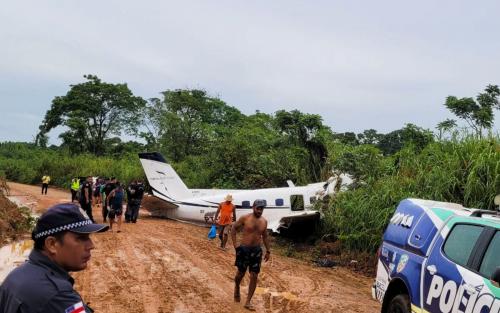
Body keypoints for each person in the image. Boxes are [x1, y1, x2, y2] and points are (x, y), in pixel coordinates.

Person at [0, 203, 108, 313]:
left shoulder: (17, 274)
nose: (91, 246)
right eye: (81, 238)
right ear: (52, 244)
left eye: (88, 237)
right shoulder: (57, 295)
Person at [231, 199, 271, 311]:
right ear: (253, 207)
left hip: (256, 251)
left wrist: (268, 251)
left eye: (262, 209)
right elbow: (233, 228)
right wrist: (235, 245)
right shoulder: (245, 218)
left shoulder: (264, 221)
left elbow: (265, 237)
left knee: (254, 275)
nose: (260, 211)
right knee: (240, 274)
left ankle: (248, 301)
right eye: (258, 208)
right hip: (244, 250)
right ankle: (237, 286)